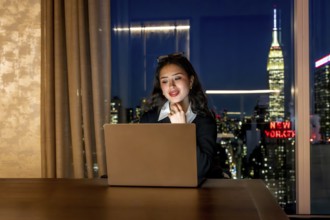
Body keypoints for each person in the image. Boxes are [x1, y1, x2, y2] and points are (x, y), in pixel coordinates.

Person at [139, 52, 221, 180]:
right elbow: (142, 165)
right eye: (164, 81)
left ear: (191, 81)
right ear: (161, 87)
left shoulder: (205, 121)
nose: (171, 86)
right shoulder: (148, 119)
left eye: (177, 78)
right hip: (156, 190)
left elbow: (201, 170)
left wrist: (182, 130)